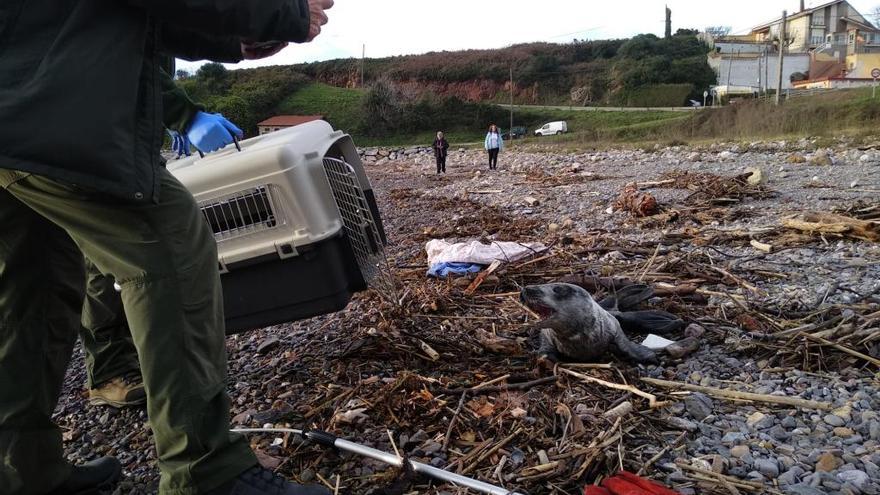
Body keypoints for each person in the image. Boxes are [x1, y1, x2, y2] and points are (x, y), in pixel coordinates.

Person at [0, 1, 334, 495]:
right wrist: (277, 11)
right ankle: (206, 473)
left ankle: (18, 471)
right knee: (169, 251)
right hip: (56, 109)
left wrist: (234, 40)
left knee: (35, 289)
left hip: (17, 108)